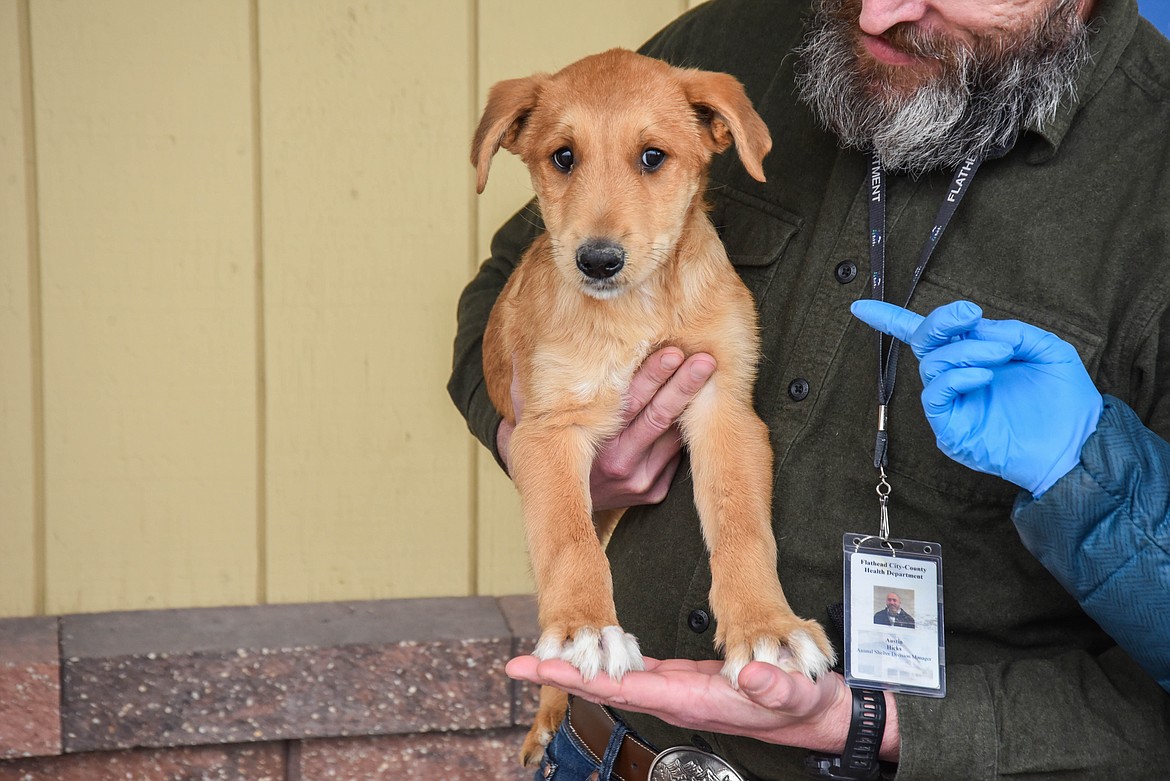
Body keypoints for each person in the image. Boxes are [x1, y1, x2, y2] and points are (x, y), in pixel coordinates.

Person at [448, 0, 1170, 777]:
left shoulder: (1149, 170)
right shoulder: (724, 40)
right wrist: (532, 435)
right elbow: (509, 286)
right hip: (600, 750)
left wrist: (868, 723)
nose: (881, 9)